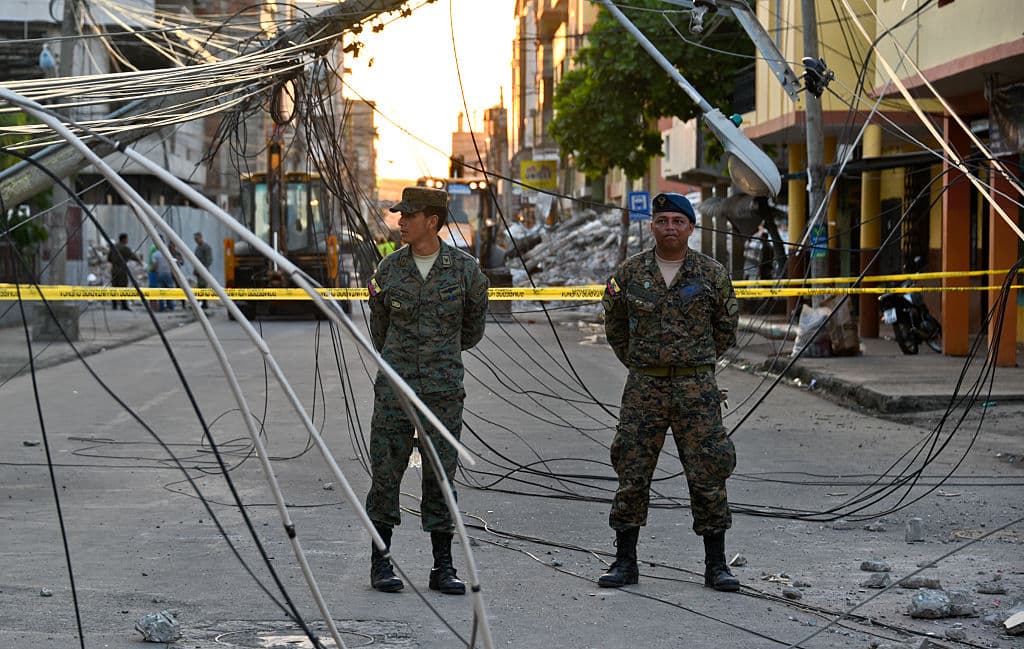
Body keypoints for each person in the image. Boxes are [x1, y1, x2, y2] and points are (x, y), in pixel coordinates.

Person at [597, 192, 741, 592]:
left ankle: (716, 565)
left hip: (696, 387)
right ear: (652, 227)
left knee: (708, 472)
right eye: (663, 221)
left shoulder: (711, 273)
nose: (670, 228)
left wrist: (696, 361)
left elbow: (726, 327)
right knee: (632, 471)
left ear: (691, 228)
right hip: (645, 386)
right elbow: (615, 326)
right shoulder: (629, 274)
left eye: (678, 221)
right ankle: (624, 561)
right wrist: (643, 361)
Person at [364, 186, 489, 595]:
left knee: (440, 477)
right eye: (400, 215)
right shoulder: (388, 271)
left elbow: (471, 331)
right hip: (396, 390)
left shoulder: (465, 270)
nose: (400, 221)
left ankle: (443, 567)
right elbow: (379, 329)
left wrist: (437, 354)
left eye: (409, 215)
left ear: (432, 221)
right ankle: (381, 563)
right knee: (386, 474)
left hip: (442, 391)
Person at [107, 233, 140, 310]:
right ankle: (124, 305)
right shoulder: (124, 248)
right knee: (123, 287)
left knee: (114, 287)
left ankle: (114, 305)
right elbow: (132, 255)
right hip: (122, 270)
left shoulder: (113, 247)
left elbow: (109, 258)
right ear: (124, 239)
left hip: (114, 270)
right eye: (126, 239)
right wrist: (139, 261)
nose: (127, 240)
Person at [193, 232, 214, 310]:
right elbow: (196, 259)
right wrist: (195, 270)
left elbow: (209, 259)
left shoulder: (206, 247)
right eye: (195, 239)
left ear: (200, 238)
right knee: (200, 287)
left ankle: (204, 303)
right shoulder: (197, 248)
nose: (196, 241)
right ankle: (200, 302)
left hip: (204, 270)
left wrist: (205, 268)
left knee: (203, 287)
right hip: (198, 270)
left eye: (197, 239)